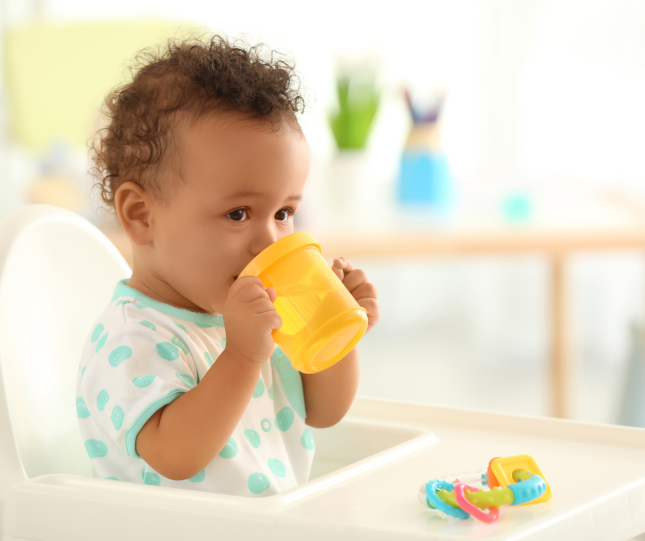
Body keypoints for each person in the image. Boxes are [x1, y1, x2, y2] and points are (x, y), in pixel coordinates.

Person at [76, 35, 380, 496]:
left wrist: (335, 334)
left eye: (283, 213)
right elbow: (176, 456)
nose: (269, 240)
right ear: (141, 215)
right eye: (238, 214)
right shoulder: (133, 337)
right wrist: (240, 357)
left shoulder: (251, 316)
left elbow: (324, 411)